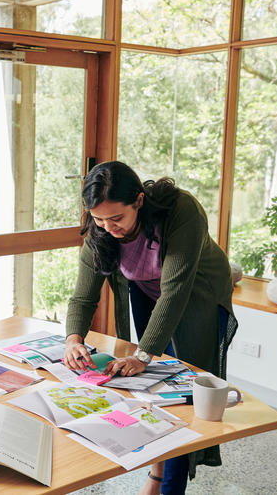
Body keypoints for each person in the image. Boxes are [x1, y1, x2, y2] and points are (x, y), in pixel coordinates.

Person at [63, 161, 238, 495]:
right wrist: (74, 339)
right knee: (148, 387)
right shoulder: (100, 230)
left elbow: (175, 291)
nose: (107, 227)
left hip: (198, 295)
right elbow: (83, 296)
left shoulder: (181, 210)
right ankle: (157, 476)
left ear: (139, 201)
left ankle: (169, 487)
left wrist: (144, 353)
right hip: (146, 293)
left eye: (116, 218)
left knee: (185, 396)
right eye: (98, 219)